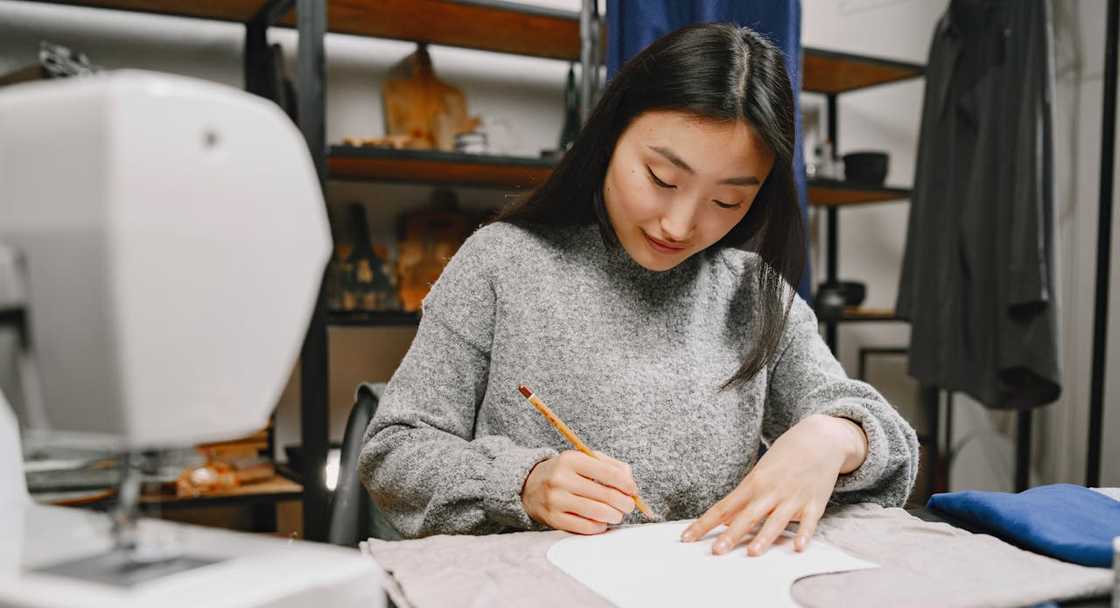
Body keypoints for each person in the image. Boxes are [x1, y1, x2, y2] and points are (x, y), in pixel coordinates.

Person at [359, 23, 918, 556]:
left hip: (704, 603)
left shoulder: (754, 292)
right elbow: (394, 452)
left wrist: (836, 437)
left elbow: (887, 441)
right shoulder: (502, 263)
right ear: (611, 136)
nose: (679, 224)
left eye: (728, 201)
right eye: (661, 179)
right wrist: (523, 482)